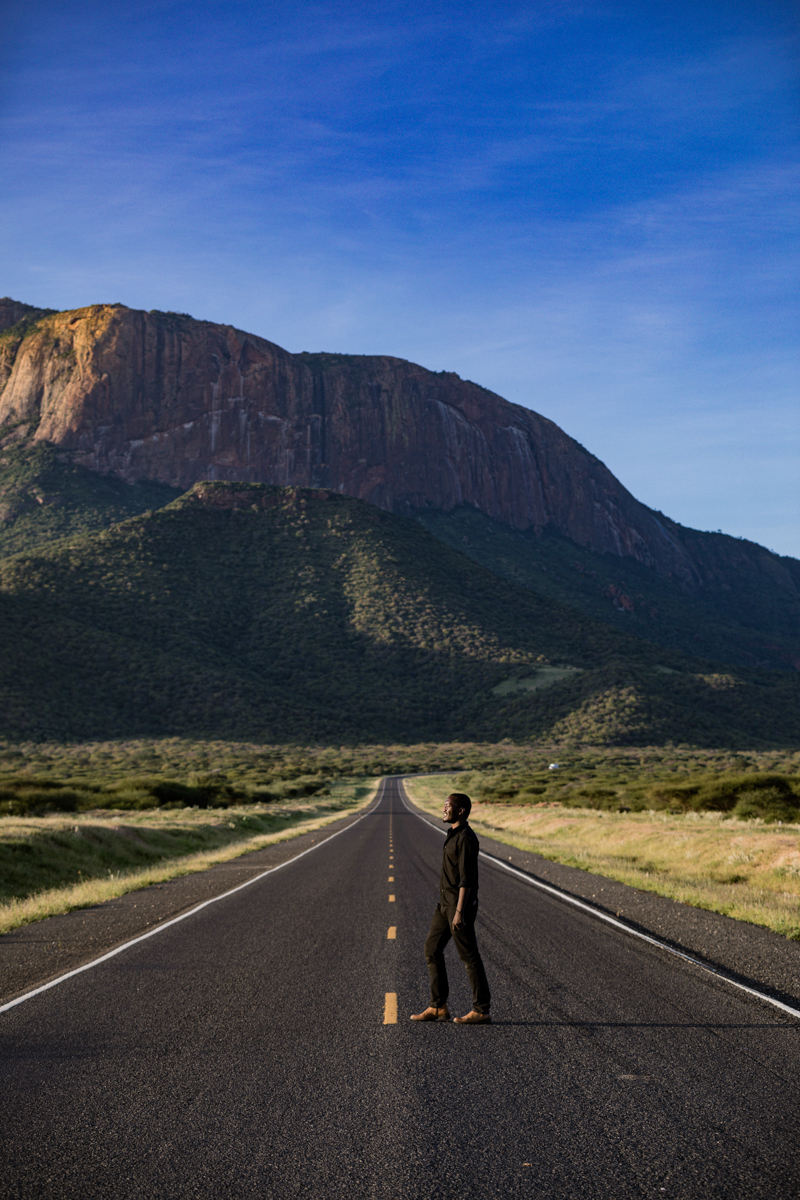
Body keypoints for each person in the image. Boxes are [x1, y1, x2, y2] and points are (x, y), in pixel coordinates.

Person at [410, 792, 491, 1024]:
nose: (443, 809)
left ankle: (482, 1009)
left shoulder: (465, 838)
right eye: (444, 805)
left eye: (448, 805)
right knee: (432, 948)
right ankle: (438, 1006)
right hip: (444, 904)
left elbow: (467, 879)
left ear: (461, 811)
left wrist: (459, 912)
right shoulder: (453, 834)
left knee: (469, 956)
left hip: (458, 906)